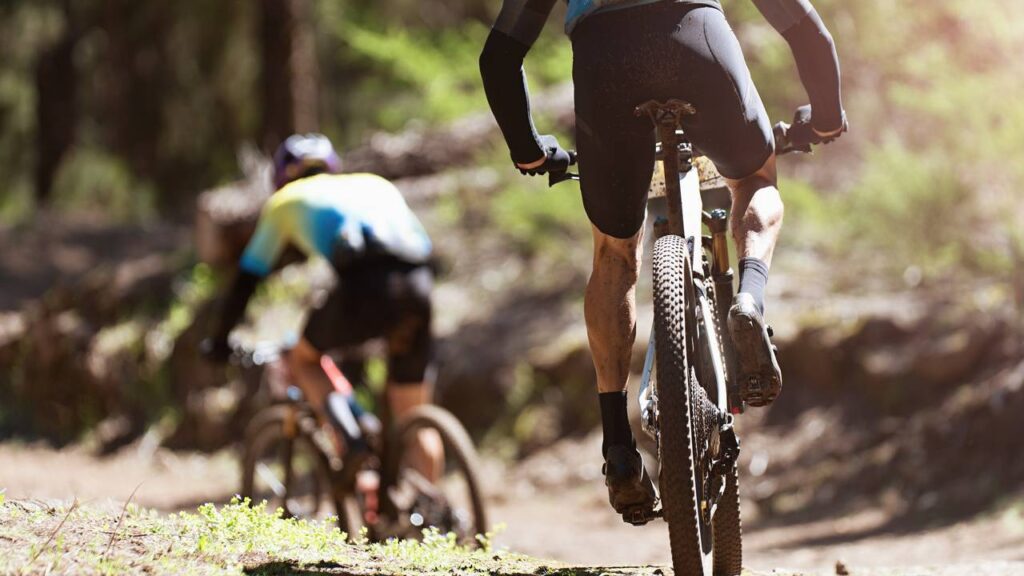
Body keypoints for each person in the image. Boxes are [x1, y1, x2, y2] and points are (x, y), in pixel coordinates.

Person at [479, 0, 846, 520]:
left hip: (606, 60)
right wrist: (827, 117)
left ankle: (617, 446)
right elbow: (805, 27)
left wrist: (529, 150)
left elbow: (499, 57)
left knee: (614, 253)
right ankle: (749, 299)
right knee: (756, 180)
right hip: (696, 36)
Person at [203, 133, 442, 480]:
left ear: (282, 176)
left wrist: (220, 339)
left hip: (365, 285)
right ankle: (434, 516)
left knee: (302, 358)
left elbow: (247, 281)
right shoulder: (374, 183)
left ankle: (354, 441)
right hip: (419, 285)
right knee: (415, 418)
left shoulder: (285, 200)